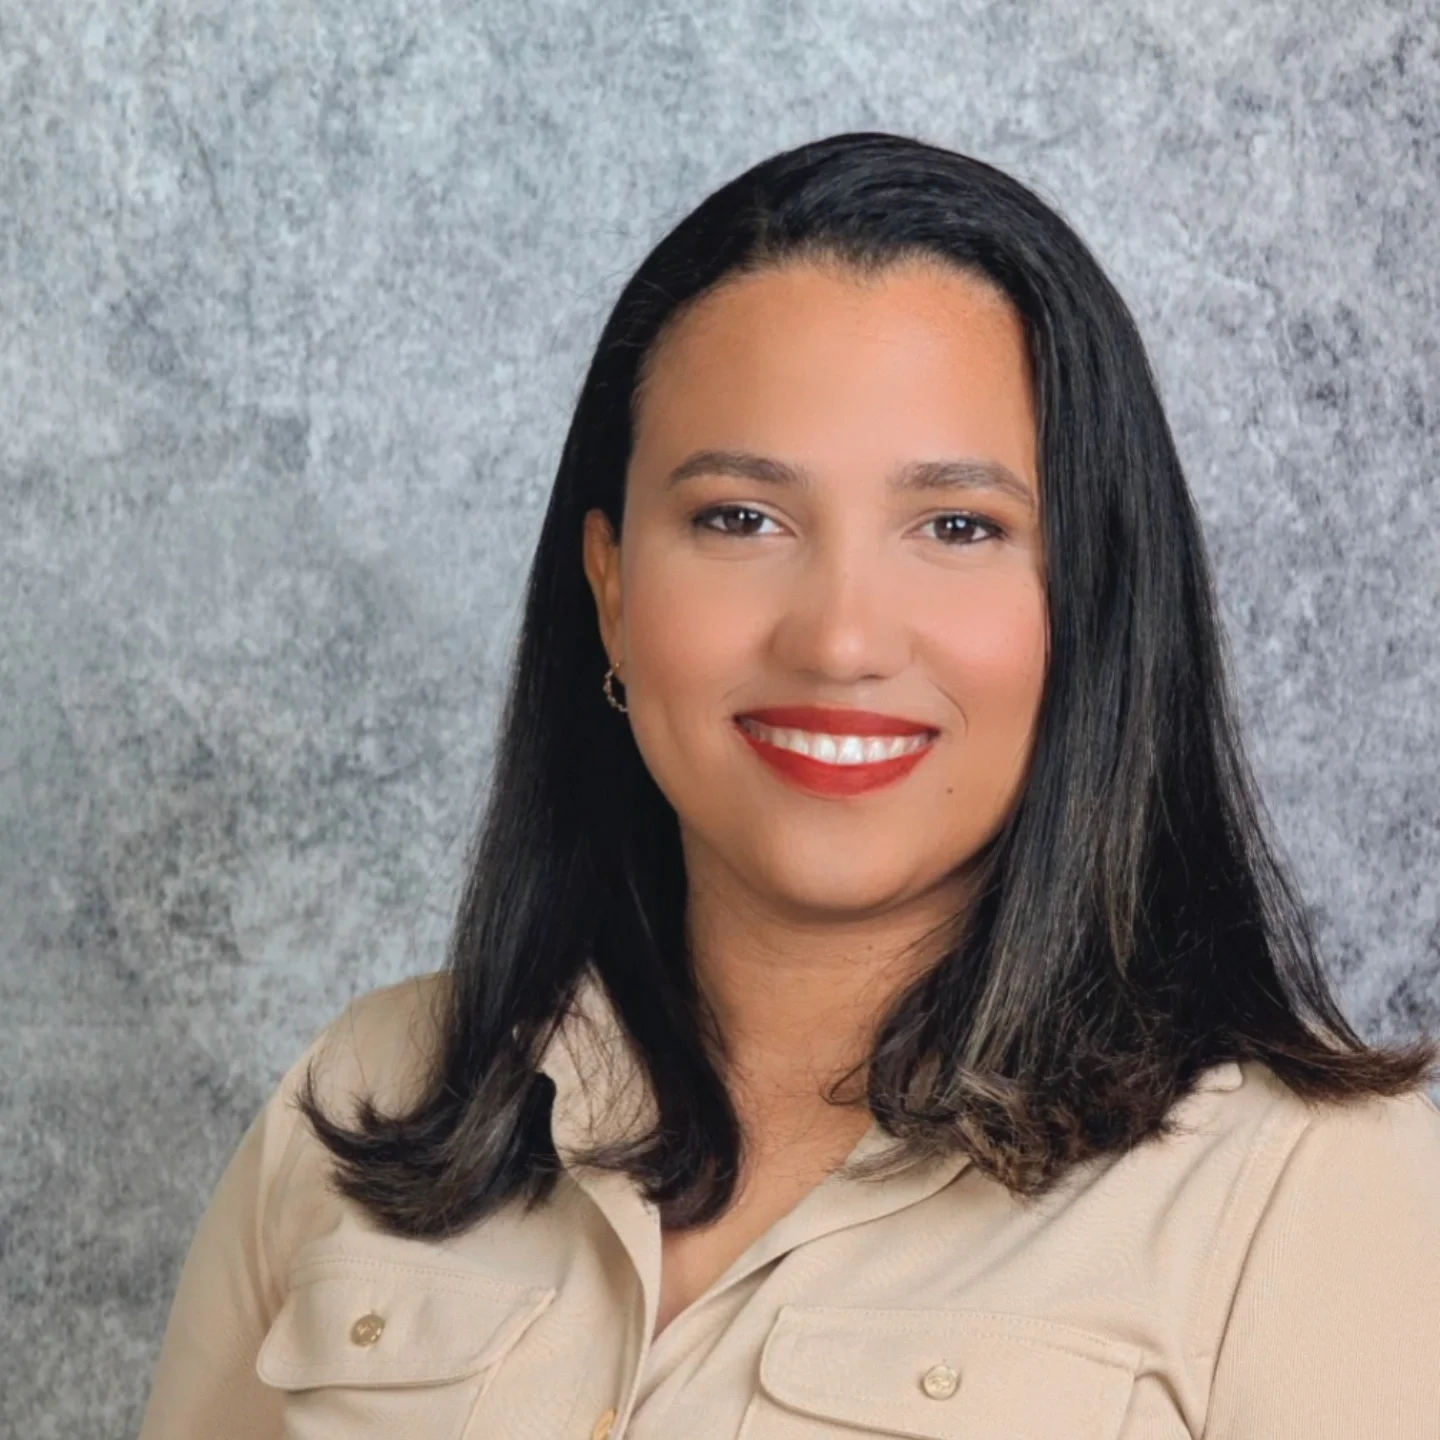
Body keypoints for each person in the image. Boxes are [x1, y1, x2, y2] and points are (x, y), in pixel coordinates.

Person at [139, 132, 1440, 1440]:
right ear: (608, 586)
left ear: (1093, 600)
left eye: (958, 527)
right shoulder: (375, 1091)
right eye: (740, 518)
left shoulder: (1316, 1196)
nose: (839, 638)